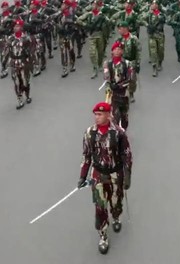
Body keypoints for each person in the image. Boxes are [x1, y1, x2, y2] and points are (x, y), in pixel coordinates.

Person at [78, 102, 132, 255]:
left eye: (100, 114)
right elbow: (86, 156)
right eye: (95, 114)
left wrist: (127, 175)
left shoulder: (119, 133)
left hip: (115, 174)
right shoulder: (89, 133)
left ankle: (116, 217)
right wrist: (82, 175)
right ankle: (103, 236)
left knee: (116, 201)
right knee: (100, 207)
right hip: (98, 175)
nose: (97, 117)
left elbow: (126, 154)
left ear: (108, 115)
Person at [104, 41, 135, 129]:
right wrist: (110, 85)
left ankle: (123, 130)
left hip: (124, 93)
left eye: (119, 49)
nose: (117, 51)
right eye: (115, 49)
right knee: (115, 115)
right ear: (112, 51)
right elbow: (106, 77)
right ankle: (117, 133)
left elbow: (130, 78)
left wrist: (119, 85)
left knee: (124, 115)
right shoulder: (107, 63)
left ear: (122, 51)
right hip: (112, 94)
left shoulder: (128, 63)